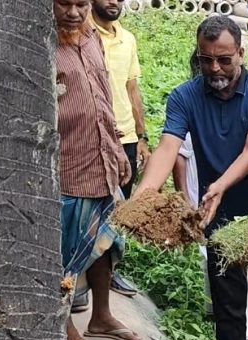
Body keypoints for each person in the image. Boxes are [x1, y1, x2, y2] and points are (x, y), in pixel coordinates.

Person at [135, 15, 248, 340]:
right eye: (206, 59)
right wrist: (145, 194)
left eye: (224, 59)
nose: (214, 68)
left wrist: (220, 184)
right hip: (220, 220)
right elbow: (167, 147)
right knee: (228, 311)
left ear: (240, 53)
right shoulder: (184, 97)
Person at [54, 0, 142, 340]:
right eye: (64, 3)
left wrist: (118, 146)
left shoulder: (91, 37)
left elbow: (104, 94)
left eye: (81, 3)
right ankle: (63, 326)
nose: (74, 12)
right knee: (64, 252)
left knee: (106, 240)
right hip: (66, 164)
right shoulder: (40, 42)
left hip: (102, 157)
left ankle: (102, 316)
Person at [90, 0, 145, 301]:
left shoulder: (128, 39)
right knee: (93, 205)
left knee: (119, 210)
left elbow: (132, 88)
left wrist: (142, 135)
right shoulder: (83, 32)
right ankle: (82, 275)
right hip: (94, 135)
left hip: (125, 138)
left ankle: (111, 272)